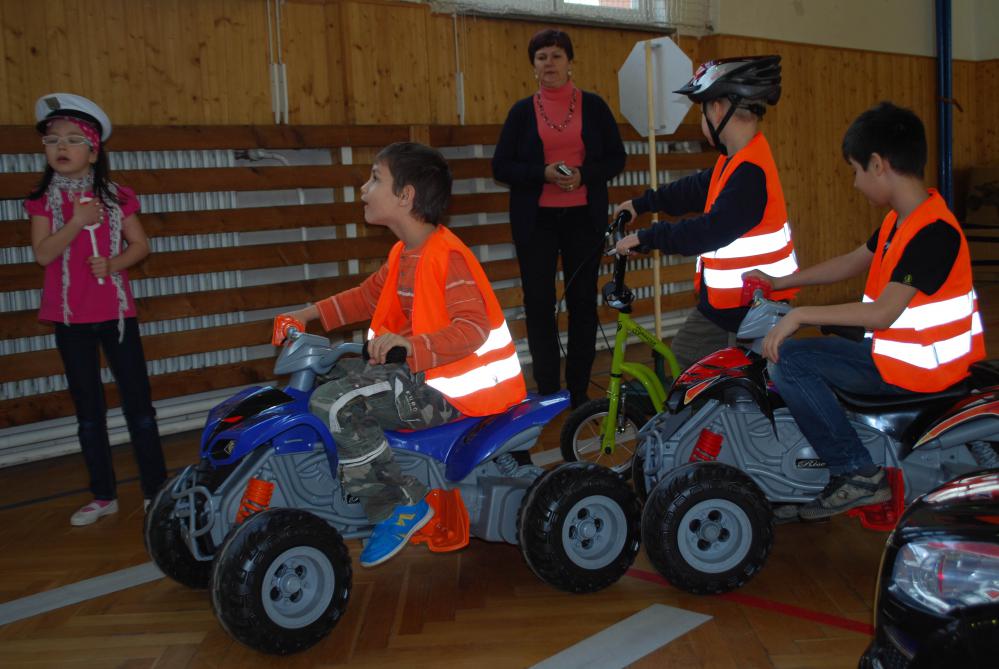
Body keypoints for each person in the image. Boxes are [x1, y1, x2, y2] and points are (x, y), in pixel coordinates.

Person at [273, 142, 526, 567]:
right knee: (326, 374)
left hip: (447, 391)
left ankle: (397, 504)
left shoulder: (448, 257)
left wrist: (412, 346)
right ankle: (339, 477)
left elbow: (472, 327)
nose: (364, 188)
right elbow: (363, 298)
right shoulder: (403, 254)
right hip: (413, 375)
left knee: (335, 403)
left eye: (375, 179)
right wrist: (307, 314)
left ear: (406, 196)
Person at [745, 101, 985, 519]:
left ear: (878, 164)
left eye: (855, 171)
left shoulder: (934, 232)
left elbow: (883, 314)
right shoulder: (901, 221)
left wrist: (801, 315)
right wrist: (780, 283)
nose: (855, 183)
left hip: (920, 376)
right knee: (800, 353)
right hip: (895, 361)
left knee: (791, 362)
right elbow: (852, 262)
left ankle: (856, 472)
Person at [26, 93, 167, 526]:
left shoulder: (115, 196)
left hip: (116, 316)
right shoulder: (43, 201)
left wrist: (114, 263)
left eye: (73, 139)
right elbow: (43, 254)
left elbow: (140, 245)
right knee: (89, 413)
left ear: (93, 150)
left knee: (139, 408)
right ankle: (103, 495)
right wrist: (75, 222)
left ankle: (157, 491)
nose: (61, 147)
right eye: (53, 140)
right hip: (70, 320)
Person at [614, 55, 799, 370]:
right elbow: (693, 189)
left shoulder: (749, 173)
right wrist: (642, 204)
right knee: (694, 371)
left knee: (697, 370)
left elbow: (710, 231)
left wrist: (648, 237)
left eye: (702, 111)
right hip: (733, 306)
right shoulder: (736, 160)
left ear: (716, 109)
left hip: (746, 312)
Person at [492, 28, 626, 409]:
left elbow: (616, 158)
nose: (549, 63)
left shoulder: (594, 106)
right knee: (539, 306)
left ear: (570, 63)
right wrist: (542, 173)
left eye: (556, 56)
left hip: (583, 218)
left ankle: (580, 391)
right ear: (533, 67)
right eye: (541, 57)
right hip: (536, 222)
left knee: (582, 304)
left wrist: (584, 175)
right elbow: (501, 166)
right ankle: (549, 390)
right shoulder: (521, 112)